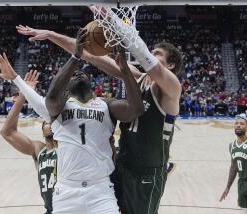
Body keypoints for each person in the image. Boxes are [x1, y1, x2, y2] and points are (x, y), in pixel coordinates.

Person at [16, 16, 182, 213]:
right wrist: (51, 35)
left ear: (170, 65)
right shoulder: (139, 79)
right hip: (122, 166)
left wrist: (120, 27)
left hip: (146, 172)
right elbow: (91, 55)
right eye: (152, 52)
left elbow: (145, 56)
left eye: (157, 54)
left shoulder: (172, 89)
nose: (151, 56)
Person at [0, 28, 143, 214]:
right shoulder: (58, 108)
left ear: (93, 85)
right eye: (73, 75)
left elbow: (136, 109)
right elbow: (50, 98)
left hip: (101, 190)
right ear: (66, 88)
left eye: (83, 73)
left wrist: (125, 71)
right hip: (66, 191)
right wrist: (75, 57)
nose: (78, 73)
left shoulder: (107, 106)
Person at [0, 71, 57, 214]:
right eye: (46, 121)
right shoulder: (39, 150)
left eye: (52, 121)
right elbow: (7, 132)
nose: (49, 123)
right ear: (42, 129)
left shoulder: (68, 147)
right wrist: (23, 95)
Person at [220, 113, 247, 208]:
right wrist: (228, 187)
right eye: (236, 123)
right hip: (242, 183)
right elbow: (233, 168)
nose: (238, 125)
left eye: (242, 123)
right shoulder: (232, 145)